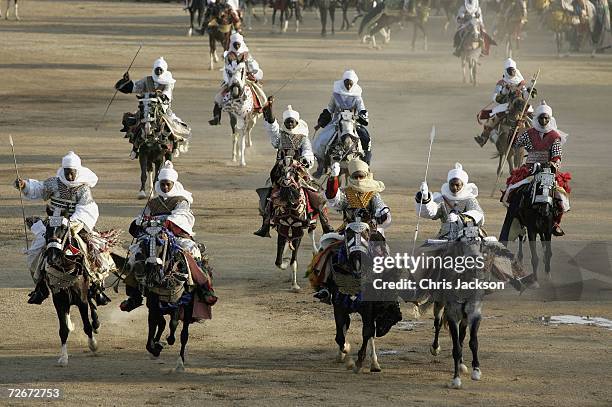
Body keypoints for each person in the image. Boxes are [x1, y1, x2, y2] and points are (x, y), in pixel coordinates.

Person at [14, 152, 111, 305]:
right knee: (35, 251)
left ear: (77, 171)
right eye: (67, 172)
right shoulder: (54, 183)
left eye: (72, 172)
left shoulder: (83, 189)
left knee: (96, 250)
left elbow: (86, 210)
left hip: (75, 225)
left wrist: (70, 224)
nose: (69, 175)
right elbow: (40, 188)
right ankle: (40, 287)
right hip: (53, 223)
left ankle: (97, 287)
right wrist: (25, 185)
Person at [120, 161, 216, 312]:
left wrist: (165, 222)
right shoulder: (152, 203)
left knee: (192, 253)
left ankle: (203, 289)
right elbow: (144, 216)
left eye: (168, 184)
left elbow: (181, 217)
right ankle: (134, 295)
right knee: (135, 255)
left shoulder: (181, 200)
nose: (165, 187)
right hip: (152, 235)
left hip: (175, 236)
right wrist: (141, 221)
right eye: (163, 184)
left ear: (173, 184)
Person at [254, 98, 333, 237]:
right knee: (268, 193)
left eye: (292, 122)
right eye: (287, 122)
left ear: (297, 122)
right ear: (284, 123)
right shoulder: (280, 136)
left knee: (316, 194)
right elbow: (272, 125)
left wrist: (305, 159)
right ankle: (265, 223)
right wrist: (270, 107)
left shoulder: (302, 138)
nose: (290, 124)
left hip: (299, 170)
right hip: (280, 169)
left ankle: (325, 223)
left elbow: (308, 151)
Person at [502, 102, 571, 236]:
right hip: (529, 168)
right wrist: (515, 131)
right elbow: (516, 144)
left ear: (550, 119)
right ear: (537, 118)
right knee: (513, 190)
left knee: (560, 195)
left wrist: (552, 163)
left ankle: (556, 222)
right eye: (541, 118)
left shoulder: (554, 136)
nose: (544, 121)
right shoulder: (529, 133)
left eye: (546, 118)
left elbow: (557, 156)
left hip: (548, 169)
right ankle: (516, 221)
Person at [114, 57, 191, 159]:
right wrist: (126, 82)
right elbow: (135, 87)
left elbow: (167, 93)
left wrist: (161, 96)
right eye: (157, 69)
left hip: (162, 109)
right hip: (146, 107)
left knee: (172, 125)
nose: (158, 71)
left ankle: (175, 145)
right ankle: (135, 148)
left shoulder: (168, 81)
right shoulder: (147, 80)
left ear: (164, 70)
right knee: (135, 124)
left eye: (160, 70)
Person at [313, 70, 371, 177]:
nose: (348, 85)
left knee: (366, 139)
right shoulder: (336, 95)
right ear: (343, 82)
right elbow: (329, 109)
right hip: (337, 123)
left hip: (353, 123)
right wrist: (320, 123)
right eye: (346, 83)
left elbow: (362, 109)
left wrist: (362, 116)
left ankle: (366, 165)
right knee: (321, 141)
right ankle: (321, 166)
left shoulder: (357, 96)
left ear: (354, 83)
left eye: (350, 83)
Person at [475, 58, 535, 147]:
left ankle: (538, 136)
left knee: (533, 117)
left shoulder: (521, 83)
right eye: (510, 70)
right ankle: (483, 138)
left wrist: (530, 90)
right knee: (493, 117)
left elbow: (526, 96)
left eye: (513, 70)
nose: (512, 72)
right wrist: (503, 94)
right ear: (506, 71)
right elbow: (495, 97)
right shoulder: (501, 83)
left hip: (520, 104)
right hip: (506, 104)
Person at [209, 32, 266, 125]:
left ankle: (263, 109)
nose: (237, 46)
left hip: (245, 77)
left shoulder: (246, 55)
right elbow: (226, 68)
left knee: (260, 92)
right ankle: (216, 117)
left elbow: (252, 65)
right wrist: (229, 78)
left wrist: (253, 69)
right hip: (231, 78)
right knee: (218, 97)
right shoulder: (228, 56)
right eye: (235, 44)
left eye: (238, 44)